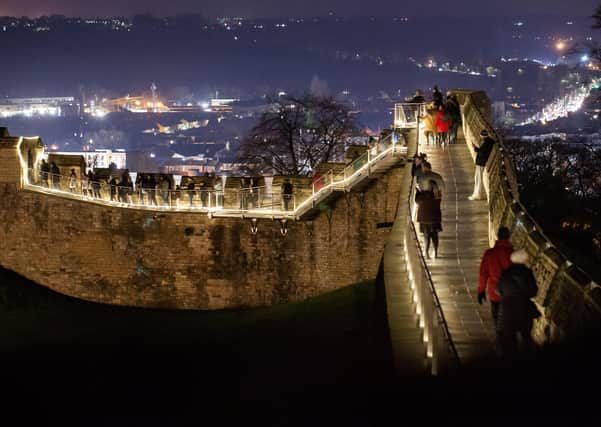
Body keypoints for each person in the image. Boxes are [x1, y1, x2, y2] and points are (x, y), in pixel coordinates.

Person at [496, 249, 539, 358]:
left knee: (510, 338)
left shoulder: (505, 273)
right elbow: (533, 291)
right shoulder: (528, 273)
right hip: (523, 308)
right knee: (526, 336)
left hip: (507, 310)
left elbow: (498, 290)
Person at [477, 226, 514, 355]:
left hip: (495, 293)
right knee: (509, 321)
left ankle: (500, 344)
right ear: (508, 237)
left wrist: (481, 290)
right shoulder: (513, 254)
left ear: (498, 237)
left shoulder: (489, 254)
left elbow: (483, 274)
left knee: (497, 318)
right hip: (510, 293)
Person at [415, 179, 442, 259]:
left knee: (426, 236)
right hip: (435, 218)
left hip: (424, 219)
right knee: (435, 236)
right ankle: (436, 252)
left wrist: (417, 192)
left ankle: (426, 253)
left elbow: (417, 200)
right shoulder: (437, 194)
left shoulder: (423, 194)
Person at [469, 129, 496, 201]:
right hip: (481, 162)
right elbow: (483, 151)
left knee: (478, 178)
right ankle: (476, 194)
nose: (480, 137)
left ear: (483, 136)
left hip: (481, 162)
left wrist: (475, 148)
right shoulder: (489, 142)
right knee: (477, 178)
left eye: (481, 136)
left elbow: (482, 152)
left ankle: (478, 195)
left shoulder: (487, 143)